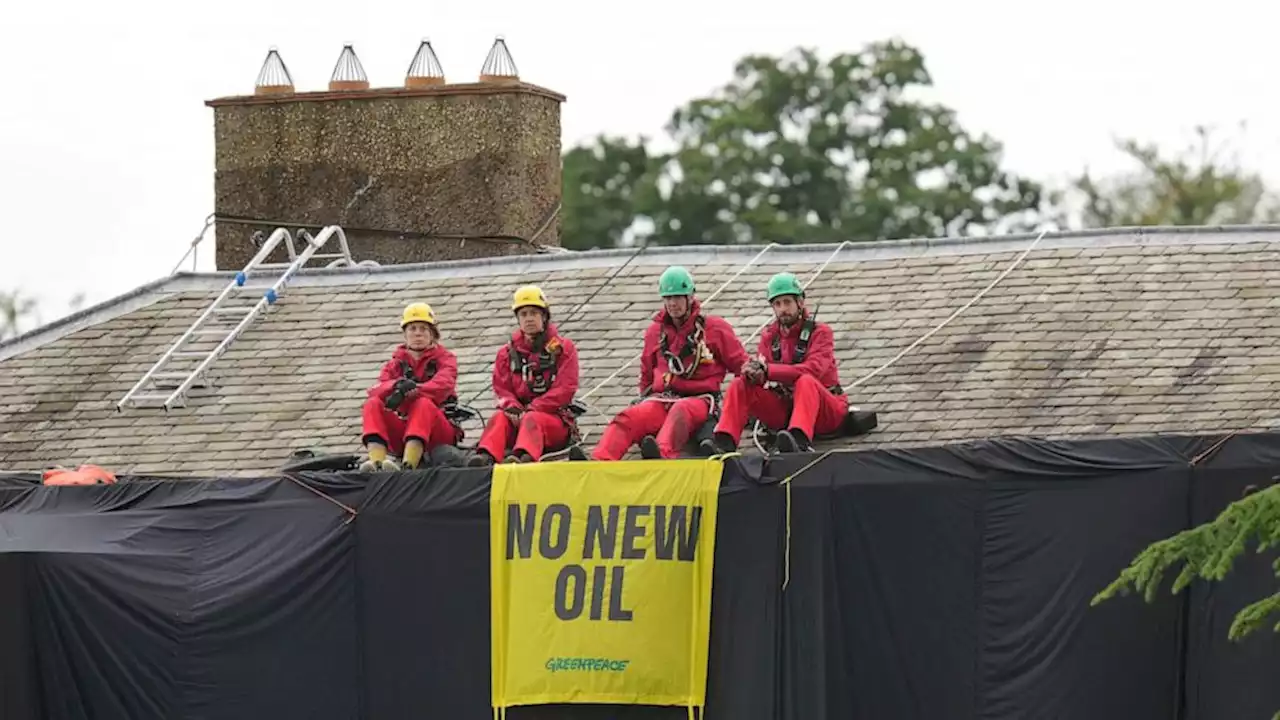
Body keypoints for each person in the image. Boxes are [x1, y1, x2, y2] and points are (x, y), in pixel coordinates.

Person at [590, 266, 749, 460]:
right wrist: (643, 402)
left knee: (680, 411)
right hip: (662, 398)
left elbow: (742, 366)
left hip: (700, 400)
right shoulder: (654, 333)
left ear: (690, 297)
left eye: (677, 297)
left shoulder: (715, 329)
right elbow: (647, 376)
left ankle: (661, 456)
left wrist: (740, 409)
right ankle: (598, 461)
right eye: (668, 298)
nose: (673, 303)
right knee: (629, 417)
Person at [702, 272, 848, 455]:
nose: (783, 309)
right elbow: (764, 374)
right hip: (786, 408)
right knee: (740, 383)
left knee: (806, 381)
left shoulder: (821, 333)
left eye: (787, 302)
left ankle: (799, 440)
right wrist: (753, 373)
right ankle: (724, 441)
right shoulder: (770, 336)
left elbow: (813, 369)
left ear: (800, 303)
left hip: (826, 411)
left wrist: (769, 370)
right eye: (777, 304)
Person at [469, 286, 581, 465]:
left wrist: (533, 408)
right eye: (524, 314)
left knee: (532, 418)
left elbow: (565, 389)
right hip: (518, 418)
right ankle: (485, 457)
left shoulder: (564, 349)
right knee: (498, 418)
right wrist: (512, 407)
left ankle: (524, 457)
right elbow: (502, 389)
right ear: (518, 319)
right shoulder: (506, 354)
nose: (529, 318)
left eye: (534, 313)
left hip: (553, 421)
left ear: (544, 316)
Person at [359, 303, 460, 471]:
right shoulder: (395, 363)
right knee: (372, 404)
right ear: (405, 334)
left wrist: (415, 390)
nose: (418, 333)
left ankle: (409, 465)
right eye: (412, 328)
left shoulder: (446, 359)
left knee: (423, 403)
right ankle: (377, 463)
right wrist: (396, 385)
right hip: (404, 429)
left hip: (438, 432)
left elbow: (443, 384)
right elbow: (376, 389)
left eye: (423, 329)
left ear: (432, 334)